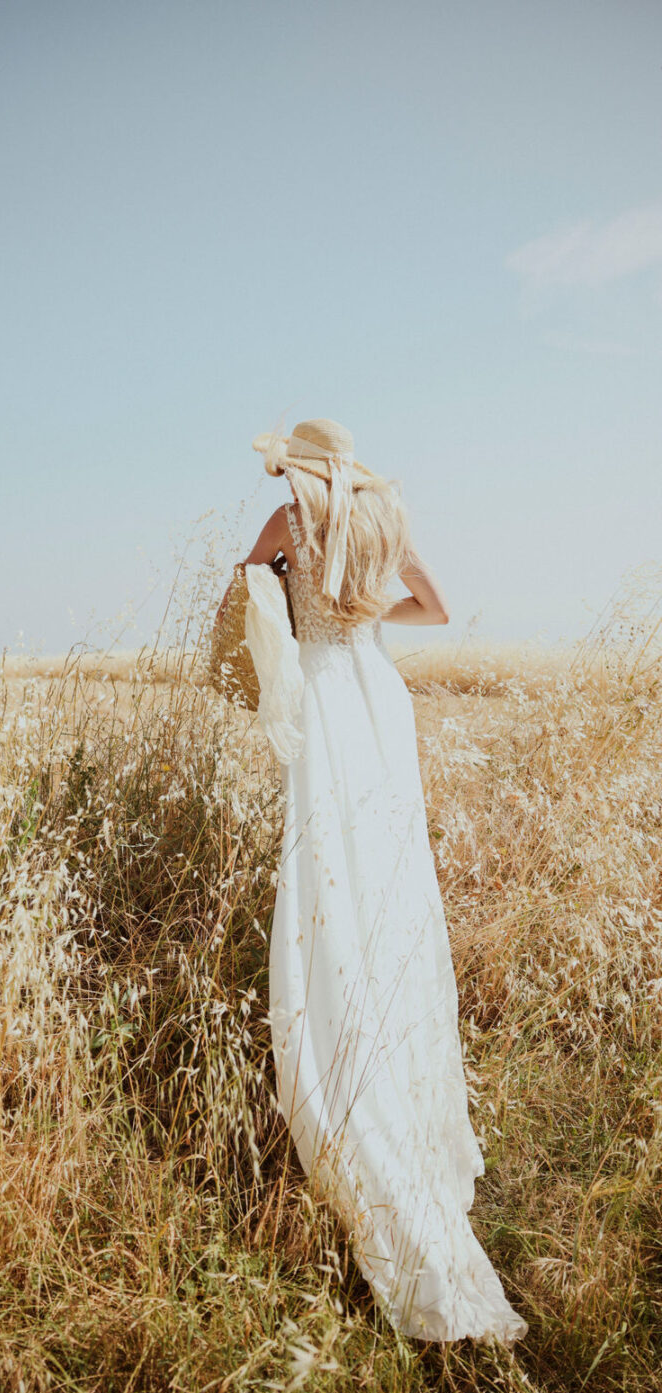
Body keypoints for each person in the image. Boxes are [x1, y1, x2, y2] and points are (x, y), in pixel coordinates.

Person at [215, 419, 528, 1344]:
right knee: (387, 883)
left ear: (296, 469)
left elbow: (241, 601)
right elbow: (433, 608)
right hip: (377, 701)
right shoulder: (384, 516)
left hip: (321, 698)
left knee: (327, 875)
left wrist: (287, 593)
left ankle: (342, 1066)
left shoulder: (287, 516)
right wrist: (362, 619)